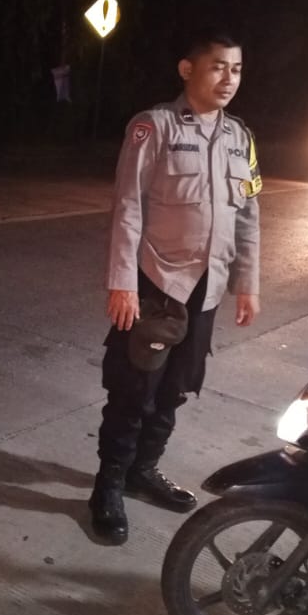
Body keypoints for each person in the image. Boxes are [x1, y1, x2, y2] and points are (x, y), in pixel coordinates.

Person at [89, 32, 262, 545]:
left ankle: (143, 471)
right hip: (156, 283)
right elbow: (128, 207)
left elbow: (249, 213)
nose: (228, 78)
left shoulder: (241, 138)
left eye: (236, 69)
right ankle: (108, 487)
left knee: (175, 389)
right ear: (188, 70)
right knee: (133, 391)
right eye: (218, 67)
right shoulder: (154, 127)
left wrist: (247, 283)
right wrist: (122, 283)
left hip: (208, 289)